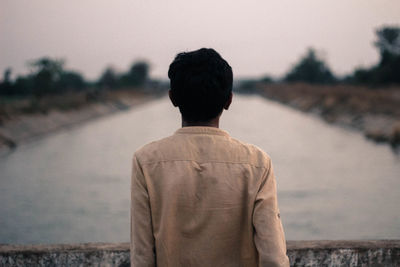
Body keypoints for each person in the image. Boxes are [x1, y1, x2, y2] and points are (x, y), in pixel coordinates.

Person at [131, 48, 290, 267]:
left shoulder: (146, 161)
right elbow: (273, 258)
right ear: (229, 101)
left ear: (172, 98)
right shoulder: (258, 163)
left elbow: (142, 257)